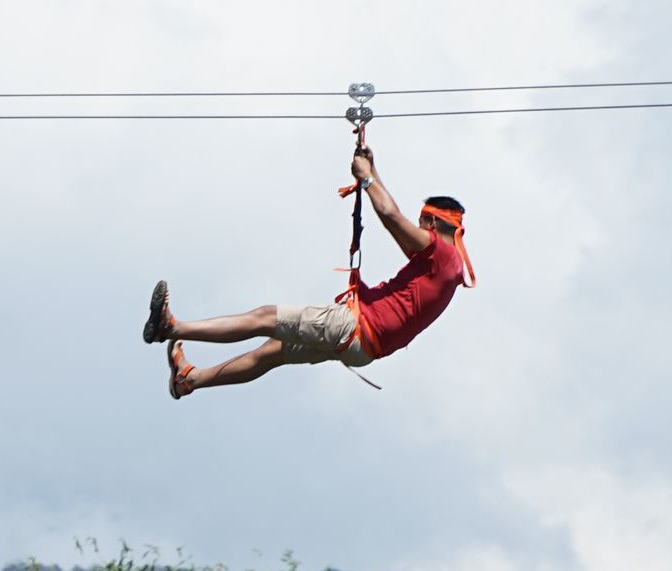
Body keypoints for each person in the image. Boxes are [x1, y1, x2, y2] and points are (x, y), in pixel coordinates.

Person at [142, 141, 474, 398]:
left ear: (431, 221)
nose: (418, 228)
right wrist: (372, 170)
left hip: (353, 326)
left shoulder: (440, 253)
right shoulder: (447, 267)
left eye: (422, 223)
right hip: (365, 349)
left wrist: (368, 178)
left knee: (263, 318)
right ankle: (190, 380)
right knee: (272, 353)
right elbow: (394, 217)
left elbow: (390, 216)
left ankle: (170, 328)